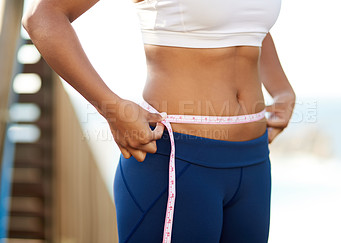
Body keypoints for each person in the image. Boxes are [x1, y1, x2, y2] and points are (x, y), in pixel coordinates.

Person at [22, 0, 296, 242]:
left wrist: (282, 90)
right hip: (176, 161)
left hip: (254, 162)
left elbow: (246, 24)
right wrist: (112, 108)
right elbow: (43, 15)